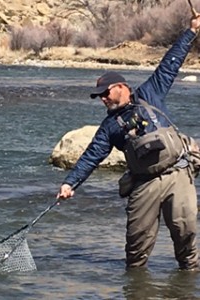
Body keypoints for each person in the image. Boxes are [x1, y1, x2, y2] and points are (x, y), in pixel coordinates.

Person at [57, 13, 200, 270]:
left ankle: (188, 284)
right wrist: (70, 182)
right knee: (136, 248)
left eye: (105, 93)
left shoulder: (150, 92)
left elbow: (170, 63)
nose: (103, 99)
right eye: (99, 96)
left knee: (185, 233)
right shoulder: (109, 127)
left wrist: (191, 31)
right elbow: (91, 156)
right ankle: (136, 289)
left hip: (178, 174)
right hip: (143, 184)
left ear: (121, 86)